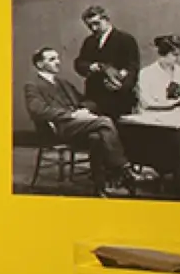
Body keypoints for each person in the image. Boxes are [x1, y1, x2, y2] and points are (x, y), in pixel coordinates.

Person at [25, 47, 151, 196]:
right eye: (52, 59)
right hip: (59, 128)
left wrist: (84, 110)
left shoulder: (63, 82)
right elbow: (38, 111)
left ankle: (100, 186)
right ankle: (123, 169)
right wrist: (71, 115)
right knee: (104, 121)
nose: (58, 62)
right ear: (39, 64)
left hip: (77, 124)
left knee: (96, 137)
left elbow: (85, 100)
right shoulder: (32, 86)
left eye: (57, 58)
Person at [73, 5, 141, 118]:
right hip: (94, 98)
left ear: (106, 19)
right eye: (89, 26)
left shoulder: (125, 39)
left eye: (96, 23)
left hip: (118, 100)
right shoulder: (89, 41)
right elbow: (79, 63)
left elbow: (133, 67)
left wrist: (121, 86)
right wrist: (91, 66)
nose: (94, 28)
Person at [138, 35, 180, 112]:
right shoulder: (146, 73)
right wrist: (171, 105)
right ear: (163, 53)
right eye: (175, 55)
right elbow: (146, 103)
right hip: (153, 116)